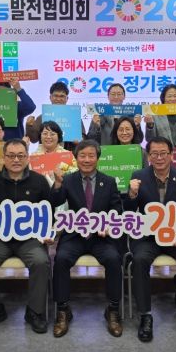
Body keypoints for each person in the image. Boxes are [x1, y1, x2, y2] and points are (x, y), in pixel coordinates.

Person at [123, 137, 176, 342]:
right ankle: (145, 315)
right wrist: (131, 194)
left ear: (171, 155)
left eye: (163, 153)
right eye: (154, 154)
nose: (159, 158)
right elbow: (129, 212)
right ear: (148, 156)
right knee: (139, 260)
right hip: (148, 237)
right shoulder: (139, 176)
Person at [0, 139, 52, 334]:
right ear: (3, 158)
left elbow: (49, 213)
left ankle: (35, 311)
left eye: (20, 156)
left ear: (27, 157)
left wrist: (47, 234)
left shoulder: (39, 181)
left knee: (41, 261)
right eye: (11, 156)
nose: (16, 160)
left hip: (30, 239)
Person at [49, 140, 124, 337]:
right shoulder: (68, 180)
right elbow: (54, 202)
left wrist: (109, 225)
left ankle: (113, 310)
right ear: (76, 158)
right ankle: (63, 310)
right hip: (75, 235)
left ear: (98, 158)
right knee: (61, 259)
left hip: (100, 236)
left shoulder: (109, 181)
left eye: (91, 155)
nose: (87, 160)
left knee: (114, 259)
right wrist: (57, 184)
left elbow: (117, 209)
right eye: (82, 156)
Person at [26, 81, 86, 152]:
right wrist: (29, 126)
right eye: (56, 96)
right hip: (46, 156)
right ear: (50, 97)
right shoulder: (42, 117)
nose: (58, 99)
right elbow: (33, 139)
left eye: (62, 96)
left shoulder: (75, 117)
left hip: (70, 155)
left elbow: (84, 140)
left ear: (67, 98)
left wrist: (80, 141)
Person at [30, 121, 77, 186]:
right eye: (45, 134)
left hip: (63, 190)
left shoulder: (67, 155)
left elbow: (76, 174)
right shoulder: (33, 157)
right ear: (40, 136)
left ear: (58, 136)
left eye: (52, 134)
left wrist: (64, 173)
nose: (48, 137)